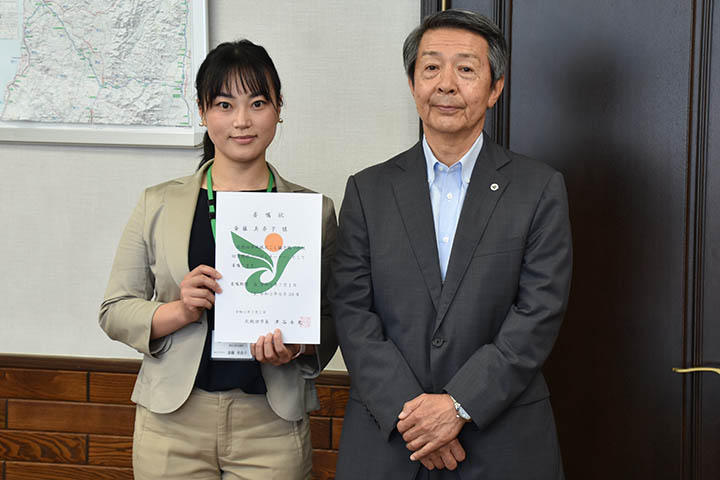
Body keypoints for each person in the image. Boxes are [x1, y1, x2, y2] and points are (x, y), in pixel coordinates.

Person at [330, 10, 571, 479]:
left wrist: (459, 405)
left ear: (495, 87)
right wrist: (418, 418)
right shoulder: (368, 190)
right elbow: (351, 309)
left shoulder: (538, 188)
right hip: (390, 439)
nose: (446, 84)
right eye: (431, 67)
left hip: (501, 439)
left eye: (465, 69)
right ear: (412, 82)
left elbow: (539, 312)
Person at [99, 40, 337, 480]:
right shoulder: (158, 203)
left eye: (258, 102)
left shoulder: (312, 210)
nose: (242, 121)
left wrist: (298, 345)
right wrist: (179, 310)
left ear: (279, 108)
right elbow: (114, 310)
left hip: (271, 423)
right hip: (172, 423)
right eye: (224, 104)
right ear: (204, 111)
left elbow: (332, 320)